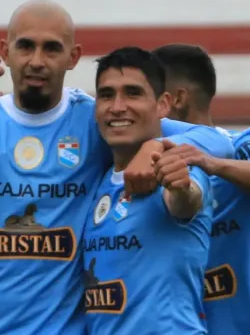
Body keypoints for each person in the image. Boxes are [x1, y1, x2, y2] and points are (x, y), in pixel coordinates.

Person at [0, 1, 231, 335]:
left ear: (73, 57)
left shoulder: (93, 117)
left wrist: (153, 146)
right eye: (25, 46)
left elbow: (218, 141)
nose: (37, 61)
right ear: (5, 51)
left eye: (52, 48)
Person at [152, 44, 250, 334]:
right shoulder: (152, 164)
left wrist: (210, 163)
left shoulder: (242, 145)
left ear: (176, 99)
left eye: (149, 95)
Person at [83, 46, 227, 335]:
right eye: (107, 95)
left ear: (163, 104)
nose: (117, 106)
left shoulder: (176, 166)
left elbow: (186, 200)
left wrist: (181, 186)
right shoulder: (97, 181)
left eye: (133, 93)